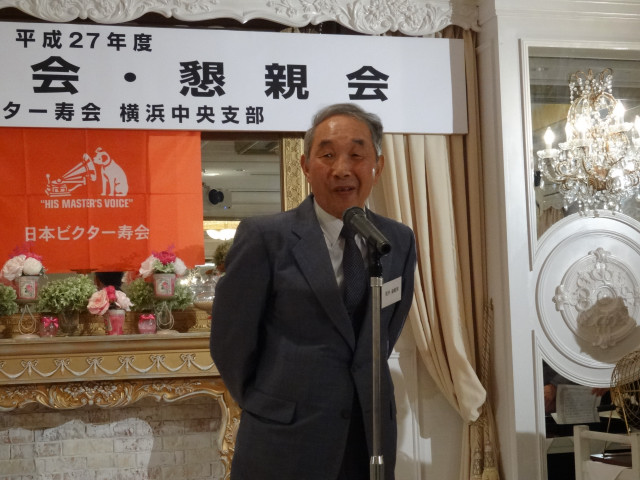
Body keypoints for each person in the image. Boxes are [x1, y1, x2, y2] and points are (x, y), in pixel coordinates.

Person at [210, 103, 416, 480]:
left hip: (369, 436)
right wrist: (267, 405)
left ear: (378, 166)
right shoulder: (265, 237)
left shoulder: (396, 240)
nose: (342, 169)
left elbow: (385, 331)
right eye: (327, 155)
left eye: (357, 155)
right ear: (305, 166)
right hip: (284, 441)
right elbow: (230, 343)